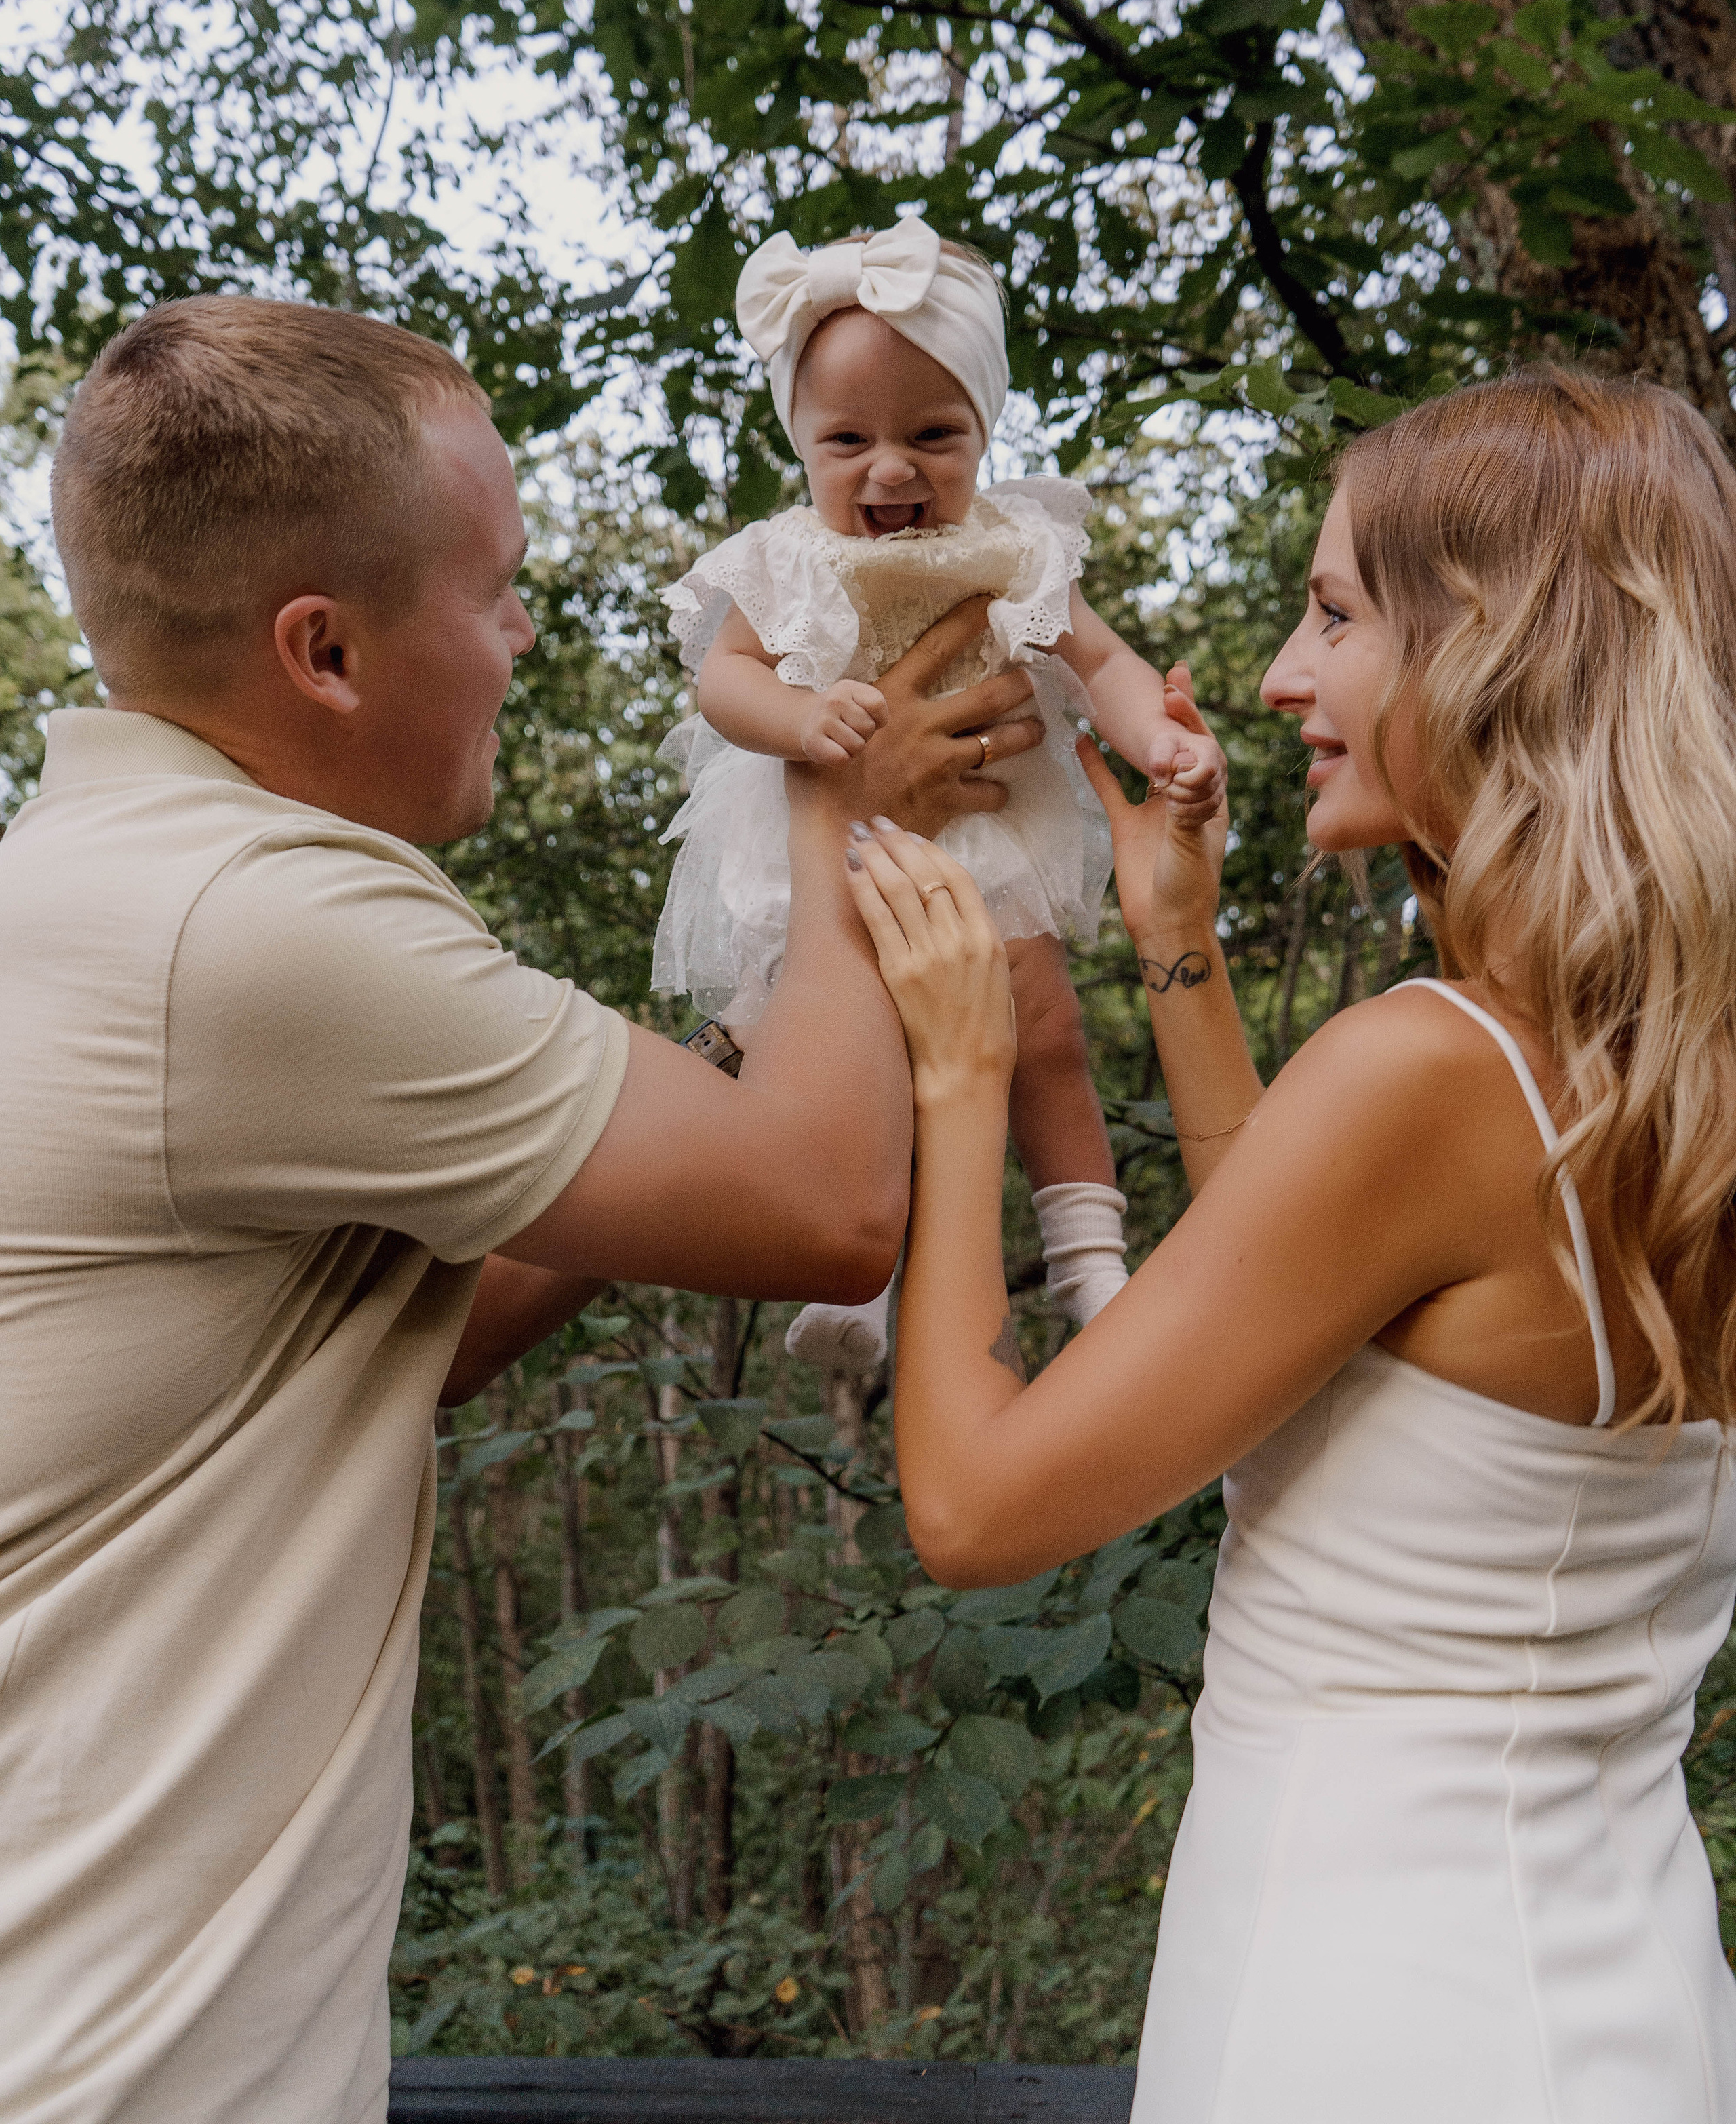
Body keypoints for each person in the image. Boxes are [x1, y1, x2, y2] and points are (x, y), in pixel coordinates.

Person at [0, 295, 1048, 2124]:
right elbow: (825, 1207)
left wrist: (735, 1037)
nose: (525, 635)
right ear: (323, 650)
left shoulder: (105, 885)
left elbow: (433, 1329)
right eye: (494, 590)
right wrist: (834, 795)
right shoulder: (255, 933)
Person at [843, 367, 1736, 2121]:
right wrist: (1178, 940)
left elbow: (973, 1505)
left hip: (1375, 2019)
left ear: (1485, 644)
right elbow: (1333, 1287)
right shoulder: (1647, 1074)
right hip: (1619, 1997)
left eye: (1334, 614)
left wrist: (964, 1078)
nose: (1278, 677)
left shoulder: (1430, 1071)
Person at [653, 216, 1225, 1369]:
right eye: (848, 440)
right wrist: (801, 719)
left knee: (1046, 1035)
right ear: (802, 445)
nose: (893, 468)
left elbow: (1099, 661)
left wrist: (1158, 743)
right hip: (839, 853)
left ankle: (1089, 1261)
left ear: (985, 430)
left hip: (988, 836)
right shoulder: (784, 560)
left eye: (934, 434)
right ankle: (858, 1274)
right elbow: (724, 681)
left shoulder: (1016, 546)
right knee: (852, 1047)